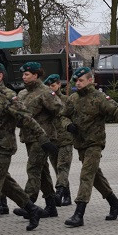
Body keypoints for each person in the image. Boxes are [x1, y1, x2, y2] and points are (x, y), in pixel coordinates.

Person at [0, 62, 55, 235]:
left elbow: (26, 119)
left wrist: (43, 138)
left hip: (3, 148)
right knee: (6, 184)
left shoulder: (8, 97)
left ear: (0, 76)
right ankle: (31, 208)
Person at [59, 67, 118, 228]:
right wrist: (68, 125)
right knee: (95, 176)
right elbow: (63, 116)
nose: (78, 83)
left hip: (95, 143)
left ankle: (79, 213)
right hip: (80, 144)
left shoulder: (99, 98)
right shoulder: (72, 98)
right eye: (76, 81)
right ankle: (115, 203)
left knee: (86, 175)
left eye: (81, 80)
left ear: (90, 80)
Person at [13, 62, 63, 220]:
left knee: (33, 168)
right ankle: (51, 205)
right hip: (28, 136)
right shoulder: (22, 94)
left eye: (27, 74)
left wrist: (49, 121)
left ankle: (28, 203)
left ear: (35, 75)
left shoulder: (45, 92)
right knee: (43, 171)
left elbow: (59, 109)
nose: (23, 77)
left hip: (43, 137)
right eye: (23, 74)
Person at [45, 74, 73, 206]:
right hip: (52, 139)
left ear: (59, 85)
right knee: (57, 169)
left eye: (53, 85)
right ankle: (66, 194)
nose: (51, 88)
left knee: (63, 167)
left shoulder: (66, 100)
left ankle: (60, 194)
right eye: (49, 86)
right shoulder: (46, 101)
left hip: (65, 138)